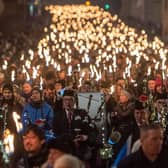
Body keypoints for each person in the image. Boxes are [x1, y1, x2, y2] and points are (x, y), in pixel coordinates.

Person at [53, 89, 98, 165]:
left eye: (70, 99)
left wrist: (86, 137)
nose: (68, 102)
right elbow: (55, 133)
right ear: (63, 101)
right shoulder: (58, 116)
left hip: (81, 152)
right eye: (65, 100)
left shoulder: (82, 114)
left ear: (74, 101)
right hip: (64, 152)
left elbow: (93, 131)